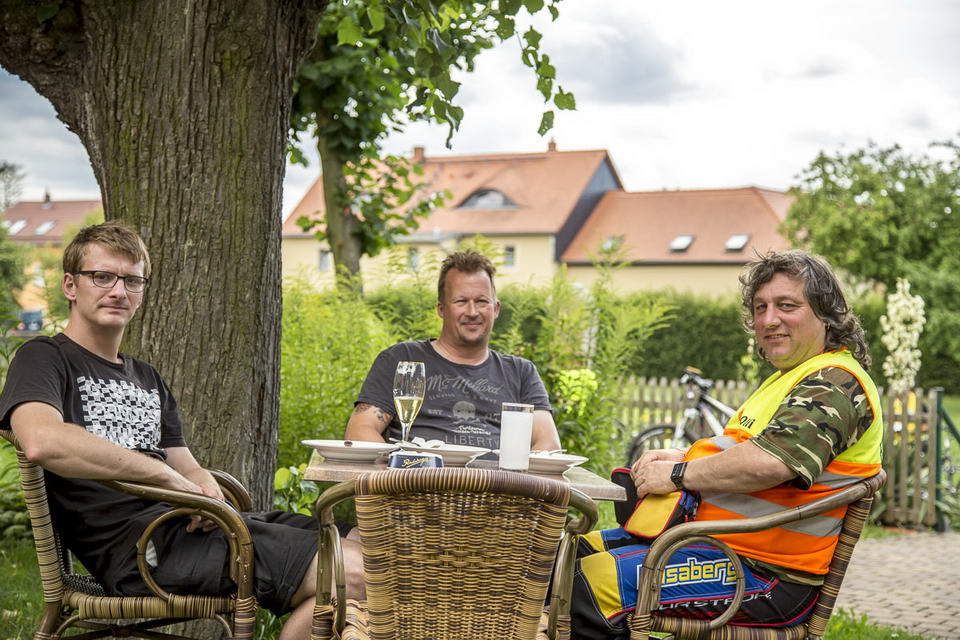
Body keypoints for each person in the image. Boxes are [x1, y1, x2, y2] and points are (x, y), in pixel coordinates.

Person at [0, 222, 349, 640]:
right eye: (103, 277)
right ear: (71, 286)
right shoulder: (44, 357)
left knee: (361, 544)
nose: (118, 291)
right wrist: (166, 478)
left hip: (193, 528)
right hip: (144, 550)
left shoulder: (147, 377)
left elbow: (186, 465)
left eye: (132, 280)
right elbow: (42, 441)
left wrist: (202, 487)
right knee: (351, 574)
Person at [571, 250, 883, 639]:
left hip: (766, 575)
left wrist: (678, 473)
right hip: (713, 545)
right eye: (760, 307)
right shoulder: (790, 377)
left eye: (787, 306)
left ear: (826, 314)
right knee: (570, 556)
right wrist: (685, 455)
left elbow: (772, 463)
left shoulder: (835, 383)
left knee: (592, 585)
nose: (769, 320)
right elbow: (744, 450)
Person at [345, 250, 562, 452]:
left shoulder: (520, 372)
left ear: (496, 309)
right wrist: (403, 469)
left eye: (481, 301)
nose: (472, 312)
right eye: (461, 301)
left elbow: (548, 443)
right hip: (417, 479)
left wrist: (513, 478)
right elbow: (360, 431)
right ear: (441, 309)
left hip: (498, 481)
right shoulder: (402, 361)